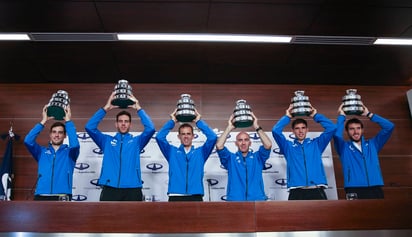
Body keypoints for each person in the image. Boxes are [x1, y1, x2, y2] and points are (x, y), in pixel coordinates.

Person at [85, 92, 155, 201]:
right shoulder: (106, 141)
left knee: (134, 219)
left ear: (130, 124)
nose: (123, 124)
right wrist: (105, 109)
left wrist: (138, 108)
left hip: (132, 189)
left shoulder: (137, 142)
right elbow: (90, 127)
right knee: (107, 218)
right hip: (110, 188)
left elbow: (150, 129)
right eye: (120, 121)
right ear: (116, 124)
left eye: (126, 121)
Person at [272, 104, 336, 200]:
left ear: (307, 130)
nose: (300, 131)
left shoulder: (317, 144)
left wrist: (315, 115)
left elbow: (332, 128)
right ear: (293, 131)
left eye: (303, 128)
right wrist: (288, 116)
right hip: (296, 191)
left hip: (317, 190)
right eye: (297, 128)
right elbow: (275, 131)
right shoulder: (288, 147)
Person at [333, 103, 394, 199]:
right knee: (355, 215)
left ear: (362, 130)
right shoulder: (343, 147)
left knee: (379, 214)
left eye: (358, 128)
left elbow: (389, 126)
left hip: (375, 188)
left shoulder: (373, 144)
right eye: (351, 129)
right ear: (347, 131)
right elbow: (336, 135)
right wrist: (341, 116)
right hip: (354, 189)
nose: (355, 132)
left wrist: (369, 114)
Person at [156, 109, 217, 201]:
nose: (186, 136)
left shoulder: (200, 152)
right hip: (175, 195)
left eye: (188, 134)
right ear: (179, 136)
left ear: (193, 136)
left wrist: (198, 121)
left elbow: (213, 137)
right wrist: (172, 121)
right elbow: (159, 137)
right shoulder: (172, 152)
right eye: (183, 134)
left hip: (195, 196)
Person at [24, 105, 80, 201]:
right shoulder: (41, 152)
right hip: (41, 195)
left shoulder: (70, 153)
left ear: (65, 135)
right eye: (54, 132)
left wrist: (68, 121)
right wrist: (43, 121)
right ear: (50, 135)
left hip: (62, 196)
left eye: (60, 132)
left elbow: (75, 145)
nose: (57, 135)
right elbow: (28, 141)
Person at [215, 113, 272, 201]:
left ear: (250, 143)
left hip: (257, 200)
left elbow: (268, 145)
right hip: (235, 201)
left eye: (246, 140)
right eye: (240, 140)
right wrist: (229, 127)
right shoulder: (230, 158)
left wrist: (256, 126)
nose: (243, 143)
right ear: (236, 143)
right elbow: (219, 146)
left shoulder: (258, 157)